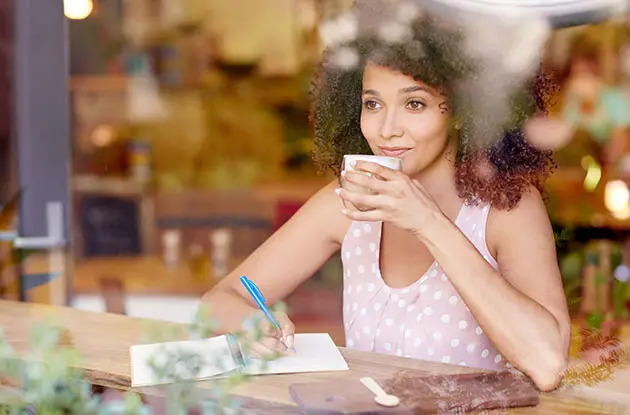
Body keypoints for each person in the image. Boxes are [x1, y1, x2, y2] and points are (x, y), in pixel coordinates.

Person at [202, 0, 570, 392]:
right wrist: (249, 323)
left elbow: (547, 364)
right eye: (372, 103)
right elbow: (216, 301)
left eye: (415, 103)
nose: (386, 129)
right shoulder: (346, 204)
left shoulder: (506, 208)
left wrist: (427, 221)